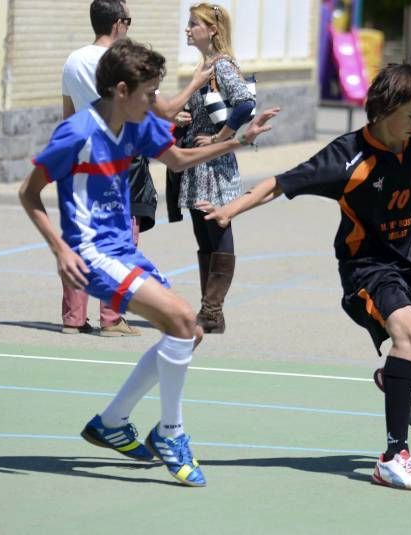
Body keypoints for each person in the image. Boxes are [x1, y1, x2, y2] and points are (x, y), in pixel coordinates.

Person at [197, 63, 411, 491]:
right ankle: (395, 456)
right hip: (367, 269)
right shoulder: (346, 157)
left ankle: (396, 378)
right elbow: (279, 184)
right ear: (384, 110)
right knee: (408, 332)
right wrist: (229, 211)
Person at [19, 38, 279, 486]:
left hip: (122, 248)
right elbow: (29, 193)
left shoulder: (137, 124)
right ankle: (171, 433)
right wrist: (60, 249)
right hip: (91, 252)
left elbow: (178, 159)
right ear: (121, 90)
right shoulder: (77, 134)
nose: (157, 102)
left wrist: (238, 140)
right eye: (150, 93)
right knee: (182, 319)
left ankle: (112, 421)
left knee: (190, 333)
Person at [60, 0, 212, 337]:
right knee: (118, 240)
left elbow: (68, 117)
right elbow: (168, 109)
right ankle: (112, 318)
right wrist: (196, 82)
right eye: (128, 20)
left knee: (82, 237)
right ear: (116, 24)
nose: (129, 27)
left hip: (82, 156)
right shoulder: (122, 64)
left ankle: (73, 318)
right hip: (118, 160)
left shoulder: (72, 61)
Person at [165, 2, 256, 334]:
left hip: (213, 168)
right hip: (196, 166)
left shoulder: (222, 66)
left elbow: (245, 103)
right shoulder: (203, 66)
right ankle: (211, 312)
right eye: (188, 23)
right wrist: (182, 118)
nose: (188, 29)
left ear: (212, 30)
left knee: (218, 233)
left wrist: (221, 135)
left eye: (194, 24)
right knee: (204, 238)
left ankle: (212, 310)